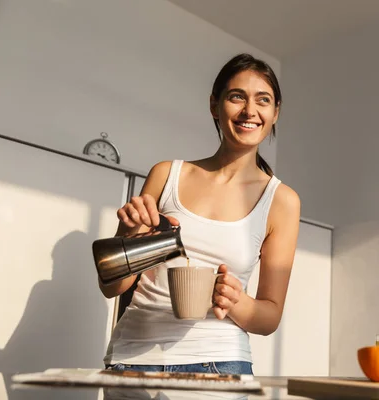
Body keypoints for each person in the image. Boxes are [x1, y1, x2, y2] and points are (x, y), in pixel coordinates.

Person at [99, 53, 301, 376]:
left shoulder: (281, 201)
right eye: (237, 97)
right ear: (214, 106)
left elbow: (270, 315)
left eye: (263, 100)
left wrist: (238, 302)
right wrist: (128, 235)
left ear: (275, 113)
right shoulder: (166, 175)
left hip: (219, 366)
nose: (250, 111)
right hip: (132, 360)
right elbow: (112, 287)